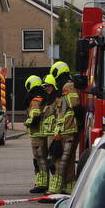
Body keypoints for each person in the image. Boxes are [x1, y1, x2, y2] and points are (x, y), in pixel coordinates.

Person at [48, 61, 81, 195]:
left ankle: (54, 189)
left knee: (60, 159)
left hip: (67, 129)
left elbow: (75, 104)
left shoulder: (68, 86)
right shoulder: (64, 88)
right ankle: (69, 187)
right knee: (69, 161)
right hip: (67, 129)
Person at [24, 75, 49, 194]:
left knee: (39, 159)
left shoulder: (35, 100)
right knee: (43, 158)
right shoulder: (45, 97)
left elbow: (35, 117)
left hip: (37, 134)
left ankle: (41, 183)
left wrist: (27, 122)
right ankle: (45, 182)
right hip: (44, 133)